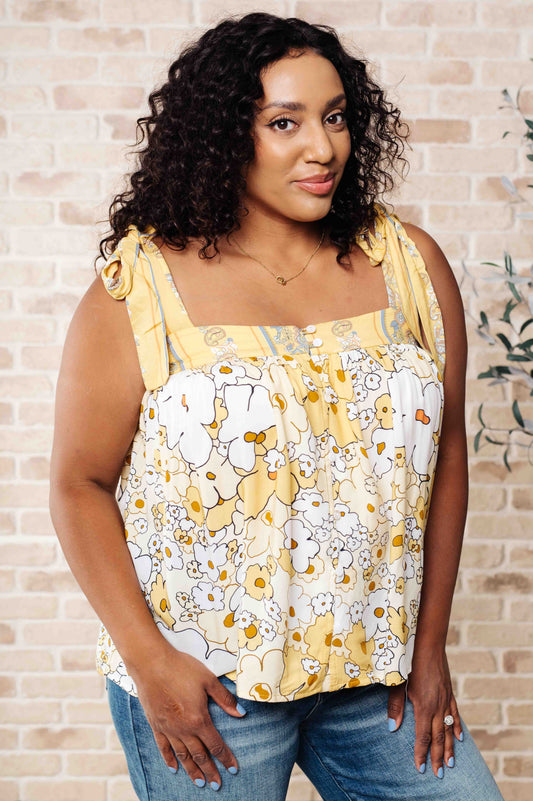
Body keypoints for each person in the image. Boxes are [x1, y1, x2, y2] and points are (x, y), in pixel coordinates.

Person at [49, 12, 505, 801]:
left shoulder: (408, 264)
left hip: (376, 676)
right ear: (226, 135)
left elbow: (447, 458)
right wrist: (152, 663)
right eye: (283, 122)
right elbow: (77, 484)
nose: (321, 147)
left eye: (333, 117)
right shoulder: (143, 284)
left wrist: (429, 647)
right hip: (210, 688)